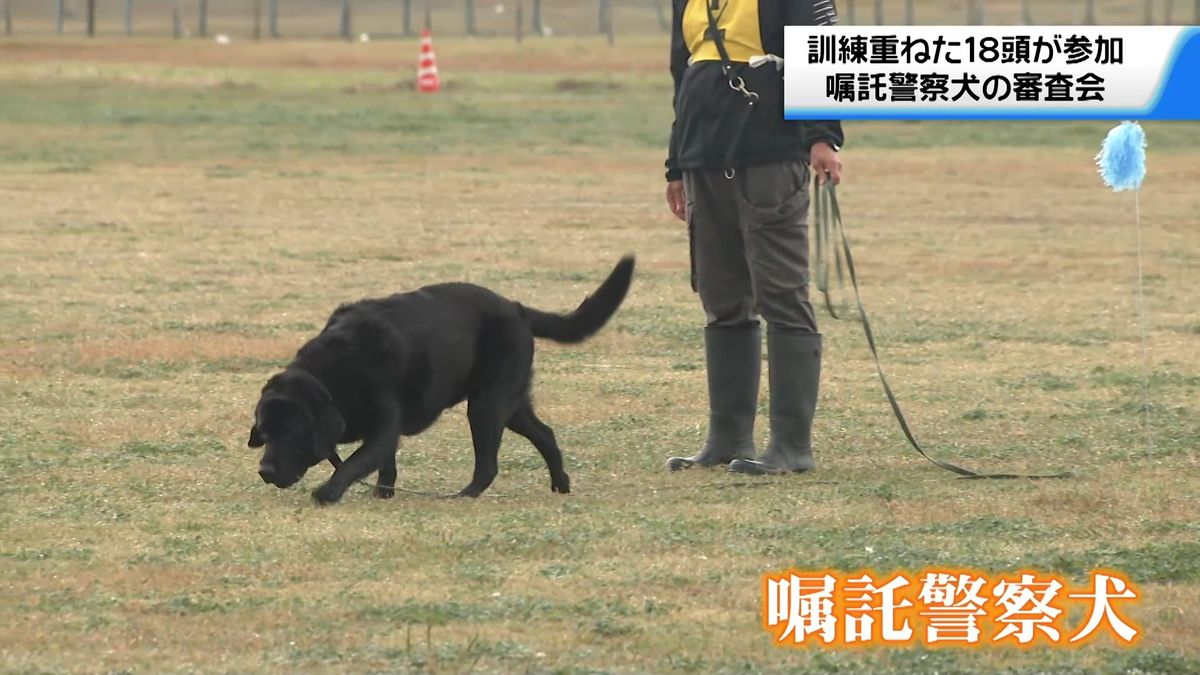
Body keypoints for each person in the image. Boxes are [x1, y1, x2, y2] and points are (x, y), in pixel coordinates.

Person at [663, 0, 845, 475]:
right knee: (722, 300)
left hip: (770, 155)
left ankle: (791, 446)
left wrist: (822, 137)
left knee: (781, 293)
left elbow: (822, 54)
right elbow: (683, 76)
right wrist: (677, 163)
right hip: (704, 157)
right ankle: (726, 439)